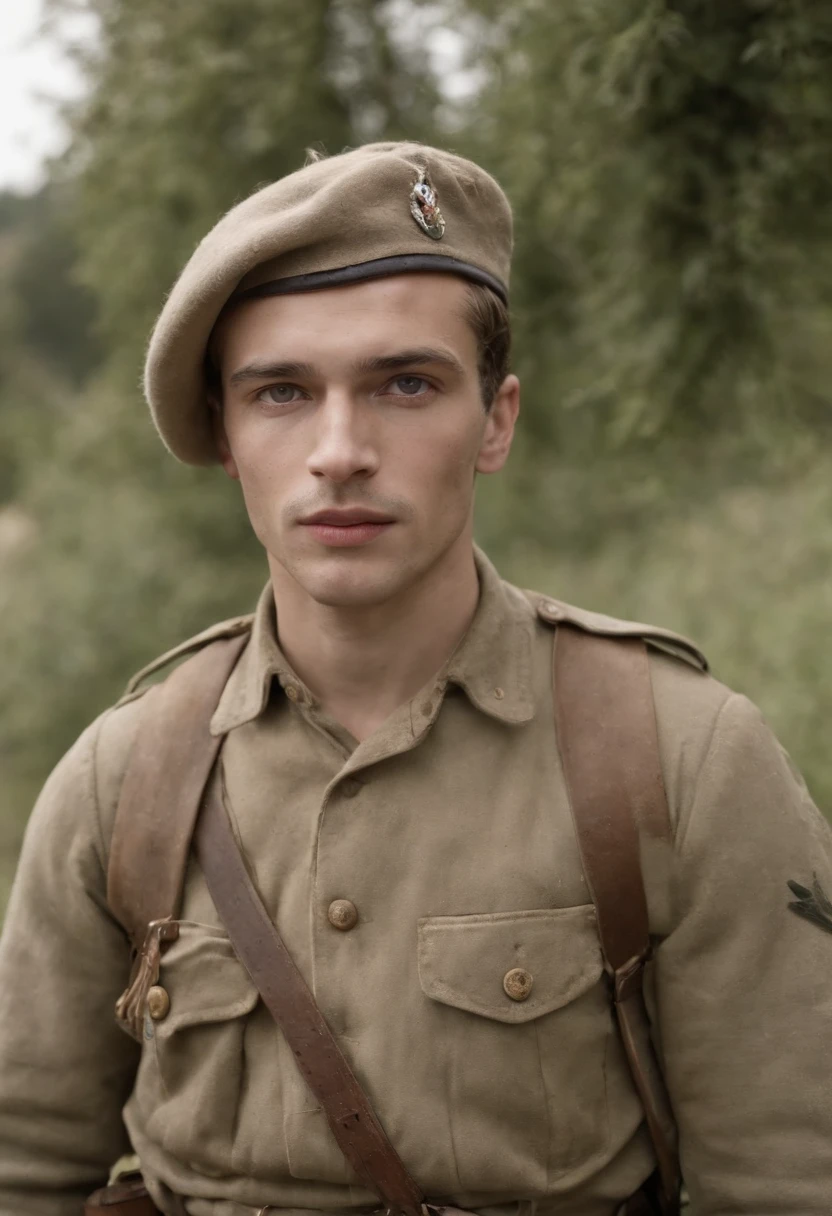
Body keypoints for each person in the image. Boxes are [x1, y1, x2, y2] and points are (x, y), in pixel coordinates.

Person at [0, 141, 830, 1216]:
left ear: (495, 419)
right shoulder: (128, 778)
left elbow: (785, 1183)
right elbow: (22, 1167)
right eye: (282, 392)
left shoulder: (678, 760)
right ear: (224, 432)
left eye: (404, 383)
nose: (339, 450)